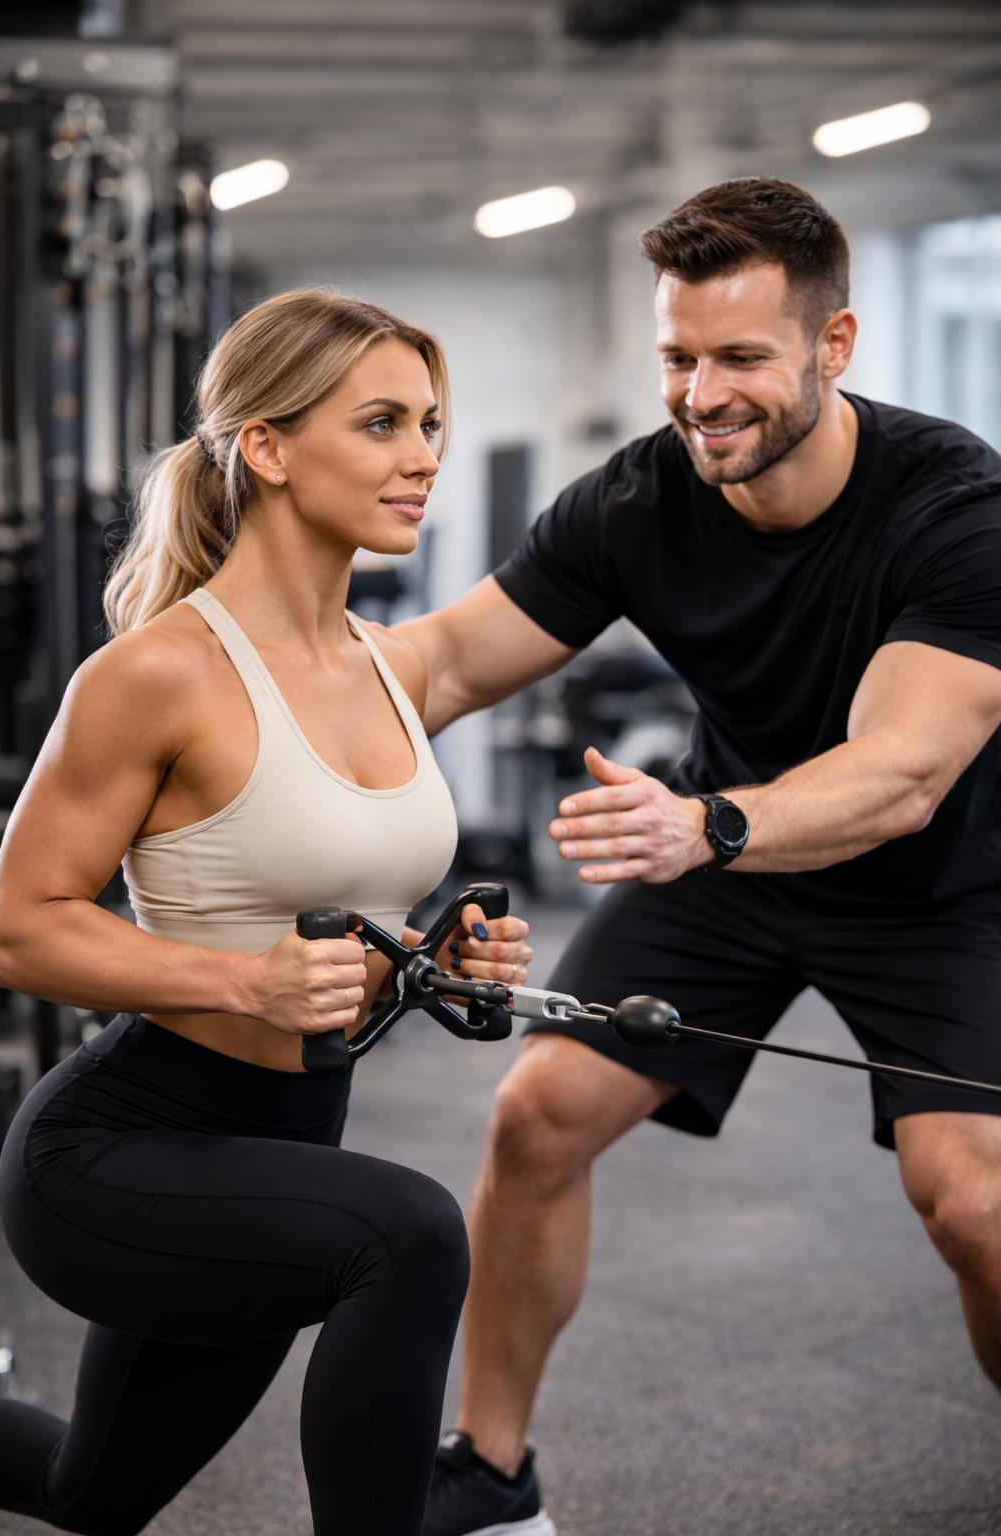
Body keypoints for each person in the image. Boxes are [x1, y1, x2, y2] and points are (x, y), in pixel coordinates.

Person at [402, 177, 1001, 1536]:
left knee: (976, 1212)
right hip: (723, 869)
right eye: (679, 357)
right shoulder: (635, 502)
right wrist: (235, 688)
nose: (701, 394)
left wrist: (707, 824)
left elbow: (902, 773)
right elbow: (439, 662)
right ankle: (491, 1479)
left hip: (940, 890)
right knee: (535, 1118)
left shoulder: (958, 506)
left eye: (740, 358)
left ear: (833, 347)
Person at [0, 289, 533, 1536]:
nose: (424, 457)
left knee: (94, 1492)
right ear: (267, 449)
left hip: (278, 1150)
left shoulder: (391, 667)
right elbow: (14, 927)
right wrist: (244, 986)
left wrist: (436, 960)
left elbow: (334, 937)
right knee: (408, 1234)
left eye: (432, 423)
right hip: (114, 1155)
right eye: (382, 423)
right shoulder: (156, 673)